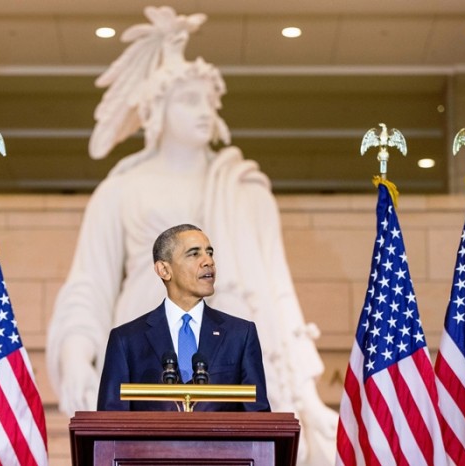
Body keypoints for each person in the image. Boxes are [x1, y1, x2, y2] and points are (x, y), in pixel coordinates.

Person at [47, 6, 337, 464]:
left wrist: (305, 388)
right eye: (188, 99)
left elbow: (278, 294)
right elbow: (89, 284)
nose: (204, 111)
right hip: (141, 366)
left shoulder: (243, 189)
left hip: (228, 380)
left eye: (209, 100)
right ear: (156, 109)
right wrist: (74, 352)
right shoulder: (120, 191)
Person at [97, 224, 271, 412]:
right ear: (164, 270)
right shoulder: (127, 340)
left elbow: (258, 417)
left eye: (210, 253)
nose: (208, 262)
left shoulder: (240, 335)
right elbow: (110, 422)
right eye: (194, 254)